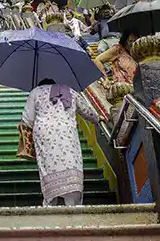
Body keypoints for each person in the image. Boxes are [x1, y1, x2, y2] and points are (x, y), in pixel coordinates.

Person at [21, 78, 101, 206]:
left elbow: (27, 120)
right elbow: (87, 112)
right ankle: (73, 205)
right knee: (71, 163)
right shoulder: (70, 90)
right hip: (67, 135)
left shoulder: (35, 92)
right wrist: (99, 119)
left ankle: (50, 205)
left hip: (45, 135)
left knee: (48, 167)